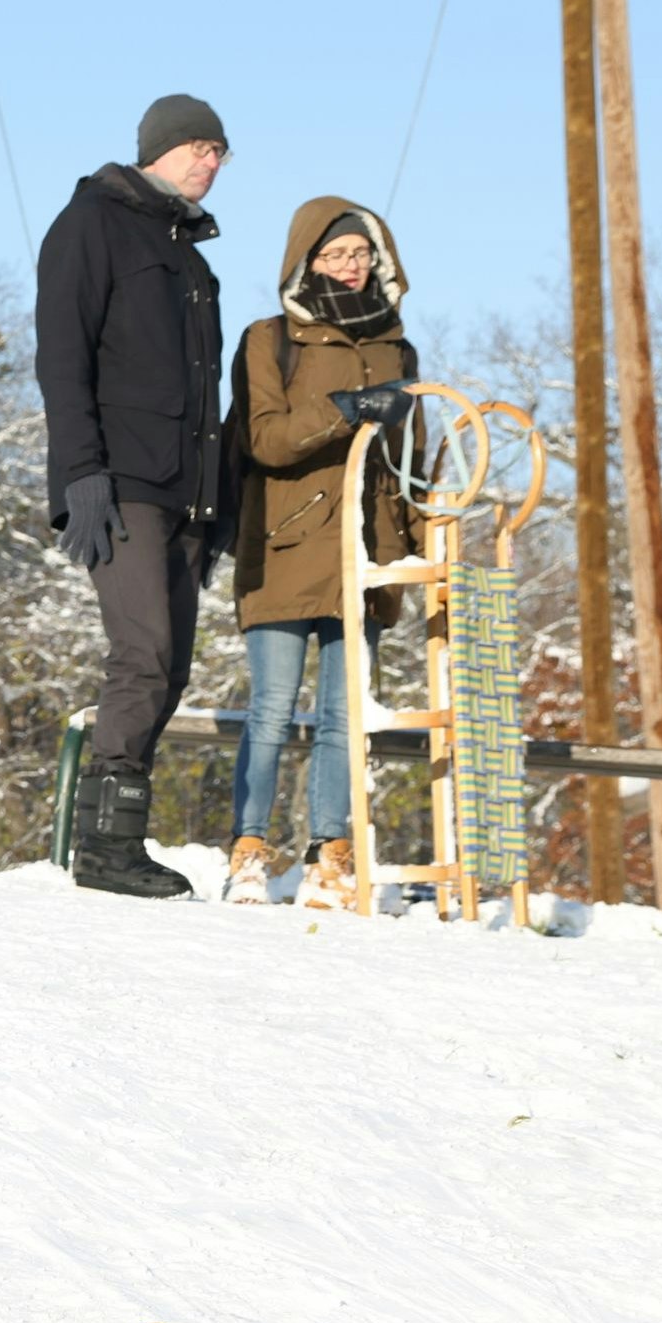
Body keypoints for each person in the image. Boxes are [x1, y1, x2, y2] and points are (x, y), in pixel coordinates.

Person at [39, 93, 236, 900]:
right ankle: (104, 851)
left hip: (187, 492)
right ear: (156, 147)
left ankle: (119, 837)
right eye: (196, 146)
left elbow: (201, 391)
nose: (209, 161)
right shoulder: (91, 223)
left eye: (220, 151)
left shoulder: (190, 256)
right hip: (121, 481)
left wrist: (216, 502)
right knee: (142, 655)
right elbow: (62, 355)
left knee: (173, 668)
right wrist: (81, 472)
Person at [220, 198, 422, 909]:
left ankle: (329, 855)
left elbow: (413, 464)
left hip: (365, 552)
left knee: (346, 714)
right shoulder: (268, 339)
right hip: (282, 545)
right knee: (272, 708)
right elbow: (266, 440)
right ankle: (248, 850)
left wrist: (421, 553)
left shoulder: (398, 350)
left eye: (361, 256)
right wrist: (345, 409)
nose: (351, 268)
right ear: (307, 263)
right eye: (336, 256)